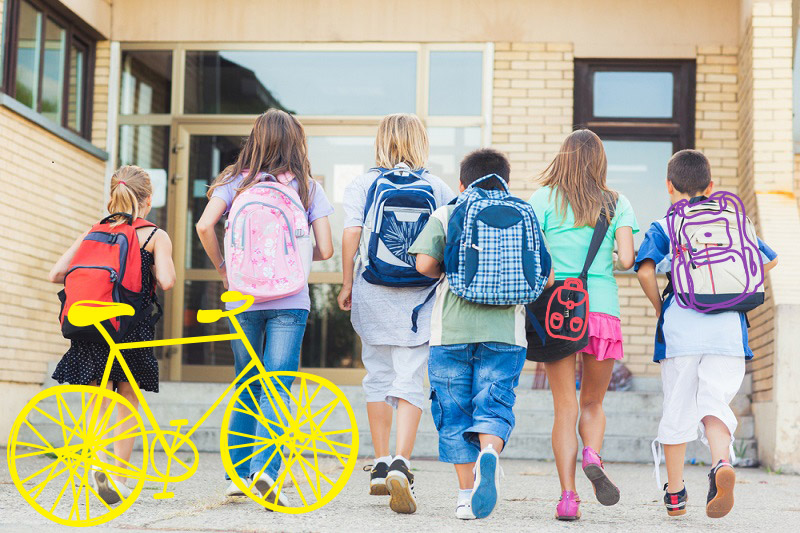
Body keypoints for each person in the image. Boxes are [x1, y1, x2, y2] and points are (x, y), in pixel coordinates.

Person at [196, 109, 334, 505]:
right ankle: (267, 473)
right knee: (277, 386)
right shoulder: (308, 187)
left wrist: (224, 267)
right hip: (290, 299)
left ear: (254, 138)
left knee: (246, 383)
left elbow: (205, 226)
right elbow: (325, 247)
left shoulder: (233, 180)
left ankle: (237, 476)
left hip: (242, 298)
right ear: (296, 141)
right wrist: (294, 253)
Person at [409, 148, 554, 520]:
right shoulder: (525, 213)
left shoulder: (449, 211)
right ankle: (490, 451)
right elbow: (547, 276)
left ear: (462, 182)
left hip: (451, 331)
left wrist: (449, 268)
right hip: (507, 332)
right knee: (493, 404)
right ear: (506, 180)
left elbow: (424, 263)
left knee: (454, 412)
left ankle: (463, 495)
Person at [635, 149, 778, 518]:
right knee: (714, 403)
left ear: (669, 186)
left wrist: (658, 307)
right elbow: (770, 259)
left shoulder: (665, 224)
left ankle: (676, 495)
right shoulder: (735, 220)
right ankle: (720, 464)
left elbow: (645, 270)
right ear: (711, 186)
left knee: (678, 406)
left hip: (682, 330)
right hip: (729, 331)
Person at [337, 113, 455, 514]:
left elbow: (351, 234)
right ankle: (402, 463)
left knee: (377, 375)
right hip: (419, 297)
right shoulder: (437, 186)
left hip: (373, 288)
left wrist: (346, 283)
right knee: (410, 376)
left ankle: (381, 461)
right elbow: (446, 241)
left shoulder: (363, 183)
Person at [49, 165, 176, 503]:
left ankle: (96, 461)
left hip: (90, 324)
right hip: (130, 326)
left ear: (113, 196)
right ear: (148, 200)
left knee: (96, 397)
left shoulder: (93, 232)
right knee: (127, 400)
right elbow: (166, 281)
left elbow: (56, 274)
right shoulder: (153, 235)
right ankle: (118, 476)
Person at [528, 129, 638, 520]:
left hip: (558, 312)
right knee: (593, 402)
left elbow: (534, 257)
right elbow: (626, 259)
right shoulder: (617, 201)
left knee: (565, 407)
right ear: (599, 162)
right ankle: (593, 453)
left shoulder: (541, 199)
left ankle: (568, 498)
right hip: (602, 309)